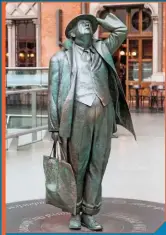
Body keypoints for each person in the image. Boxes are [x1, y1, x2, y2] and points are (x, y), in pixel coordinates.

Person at [48, 13, 136, 231]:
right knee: (77, 167)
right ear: (71, 33)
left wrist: (102, 19)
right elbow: (53, 93)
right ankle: (75, 212)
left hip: (103, 116)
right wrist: (54, 125)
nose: (87, 24)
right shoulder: (59, 58)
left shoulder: (103, 49)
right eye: (81, 23)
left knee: (98, 165)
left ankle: (90, 212)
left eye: (90, 23)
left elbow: (121, 31)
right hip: (76, 117)